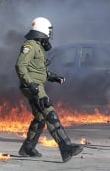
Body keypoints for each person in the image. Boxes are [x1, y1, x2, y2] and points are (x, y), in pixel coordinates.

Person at [15, 17, 83, 162]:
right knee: (49, 113)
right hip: (33, 86)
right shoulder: (30, 46)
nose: (50, 34)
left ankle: (28, 147)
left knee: (40, 118)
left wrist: (54, 77)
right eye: (49, 31)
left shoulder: (38, 47)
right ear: (43, 30)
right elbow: (20, 66)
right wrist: (31, 84)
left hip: (35, 84)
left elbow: (38, 70)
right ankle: (66, 147)